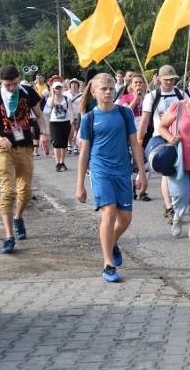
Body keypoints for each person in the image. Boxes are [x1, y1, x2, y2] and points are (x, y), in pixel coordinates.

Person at [76, 73, 147, 282]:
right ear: (93, 92)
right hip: (100, 171)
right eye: (103, 89)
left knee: (125, 218)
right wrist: (80, 184)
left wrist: (141, 173)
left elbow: (135, 144)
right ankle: (108, 264)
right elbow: (84, 152)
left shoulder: (124, 114)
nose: (108, 92)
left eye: (110, 89)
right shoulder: (89, 118)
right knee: (109, 214)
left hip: (123, 171)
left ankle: (111, 242)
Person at [0, 65, 51, 254]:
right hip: (4, 149)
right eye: (8, 84)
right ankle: (9, 236)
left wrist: (43, 133)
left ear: (19, 79)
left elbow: (39, 115)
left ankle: (18, 218)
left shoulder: (27, 92)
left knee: (26, 191)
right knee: (7, 191)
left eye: (14, 83)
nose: (12, 88)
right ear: (0, 81)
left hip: (25, 147)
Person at [158, 75, 190, 243]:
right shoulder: (178, 106)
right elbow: (162, 126)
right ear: (189, 90)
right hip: (179, 160)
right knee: (180, 195)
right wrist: (170, 137)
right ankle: (178, 216)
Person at [137, 65, 184, 216]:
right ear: (159, 78)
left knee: (182, 171)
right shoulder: (151, 96)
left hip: (180, 137)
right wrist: (139, 140)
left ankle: (182, 201)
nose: (169, 82)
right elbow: (144, 120)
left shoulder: (181, 94)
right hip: (161, 137)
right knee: (166, 169)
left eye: (172, 79)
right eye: (166, 79)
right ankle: (169, 205)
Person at [44, 79, 72, 172]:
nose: (59, 90)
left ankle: (62, 162)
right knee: (56, 143)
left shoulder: (67, 98)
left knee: (64, 143)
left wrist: (72, 118)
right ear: (53, 89)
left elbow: (71, 110)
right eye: (56, 88)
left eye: (60, 87)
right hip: (54, 122)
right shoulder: (50, 99)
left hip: (65, 121)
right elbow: (50, 105)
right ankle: (57, 163)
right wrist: (52, 95)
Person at [67, 79, 83, 154]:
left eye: (75, 84)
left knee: (76, 130)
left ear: (78, 85)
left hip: (79, 114)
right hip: (68, 115)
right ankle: (69, 144)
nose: (73, 85)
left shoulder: (82, 94)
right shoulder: (66, 94)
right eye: (72, 84)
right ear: (70, 85)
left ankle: (75, 146)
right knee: (71, 131)